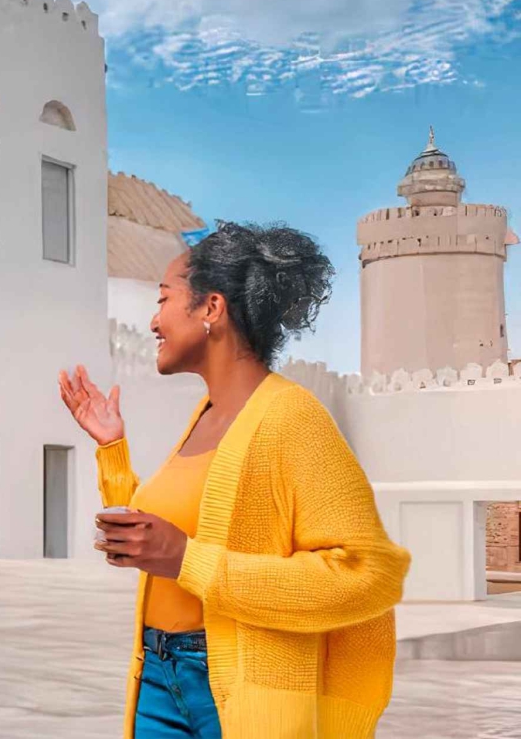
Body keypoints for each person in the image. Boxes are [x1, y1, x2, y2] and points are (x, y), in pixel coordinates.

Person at [59, 221, 410, 739]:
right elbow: (173, 534)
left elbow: (369, 574)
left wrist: (186, 559)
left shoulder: (292, 418)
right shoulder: (206, 414)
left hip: (239, 687)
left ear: (211, 309)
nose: (153, 321)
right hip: (157, 671)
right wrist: (112, 448)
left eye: (163, 299)